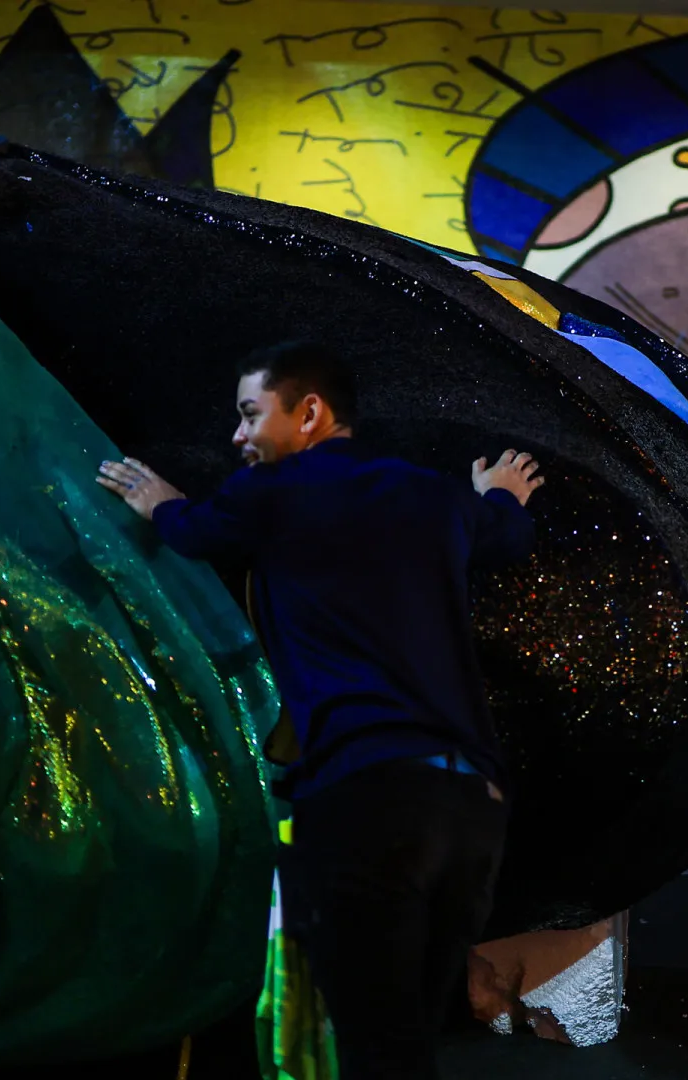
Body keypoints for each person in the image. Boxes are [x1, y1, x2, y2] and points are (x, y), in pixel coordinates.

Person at [96, 341, 545, 1079]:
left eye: (250, 415)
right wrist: (494, 493)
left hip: (367, 797)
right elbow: (507, 533)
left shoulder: (274, 490)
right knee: (410, 1044)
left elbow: (194, 530)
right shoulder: (430, 495)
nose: (238, 436)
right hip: (472, 809)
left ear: (308, 413)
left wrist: (158, 500)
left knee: (371, 1048)